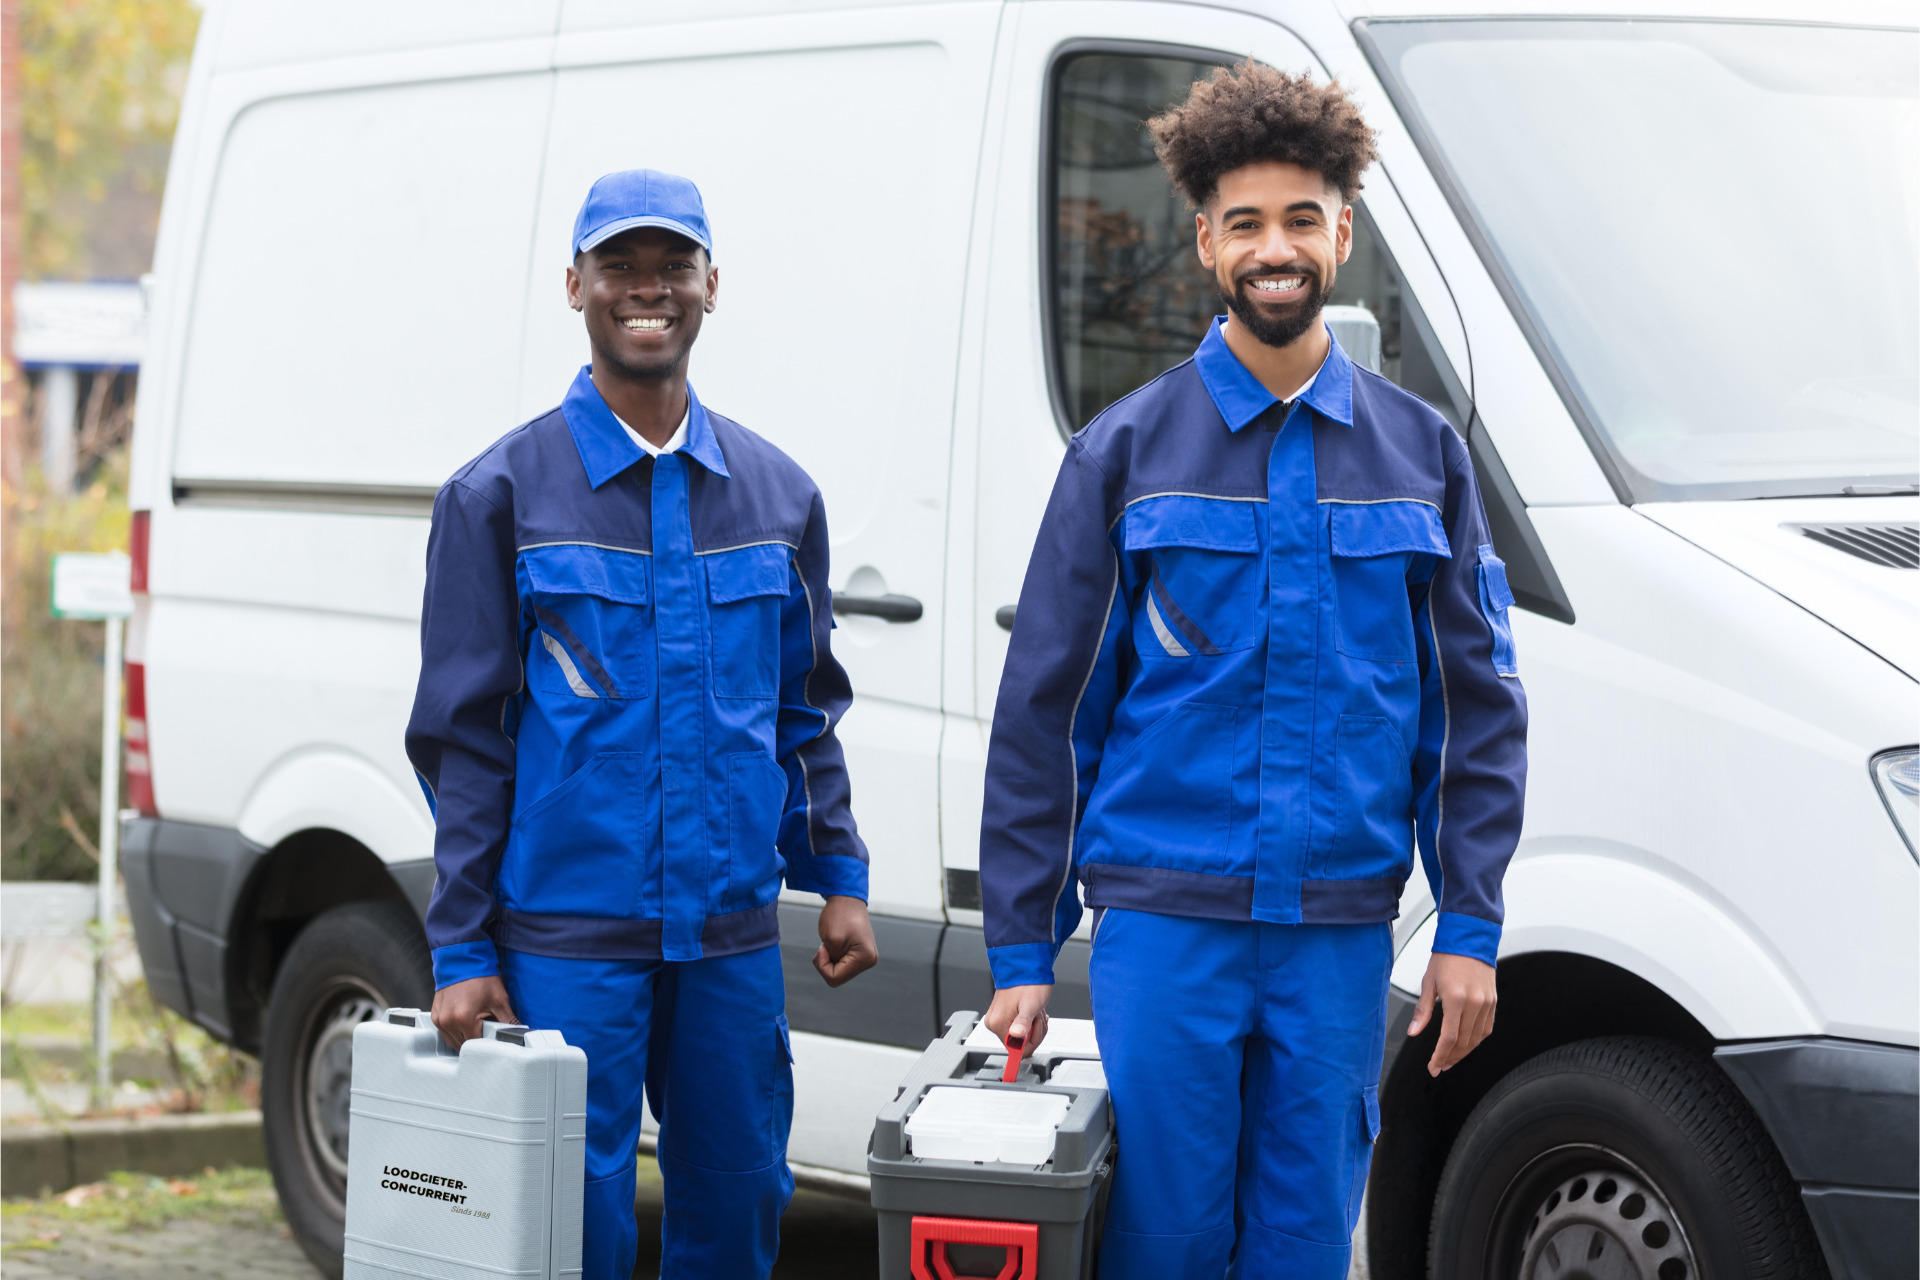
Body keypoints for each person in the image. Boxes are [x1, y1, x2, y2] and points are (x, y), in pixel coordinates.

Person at [978, 65, 1526, 1278]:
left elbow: (1473, 714)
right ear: (1205, 243)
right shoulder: (1122, 454)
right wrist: (1022, 948)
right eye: (1245, 223)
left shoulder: (1423, 457)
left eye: (1299, 219)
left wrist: (1471, 923)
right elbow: (1049, 715)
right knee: (1165, 1241)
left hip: (1337, 932)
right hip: (1166, 928)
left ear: (1342, 232)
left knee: (1304, 1244)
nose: (1274, 248)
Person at [405, 168, 878, 1280]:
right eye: (619, 264)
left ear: (713, 283)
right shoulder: (498, 495)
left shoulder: (779, 495)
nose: (647, 288)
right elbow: (465, 742)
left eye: (674, 265)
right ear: (576, 285)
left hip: (729, 943)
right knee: (567, 1227)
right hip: (566, 941)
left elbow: (803, 708)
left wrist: (840, 874)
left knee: (739, 1205)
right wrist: (462, 946)